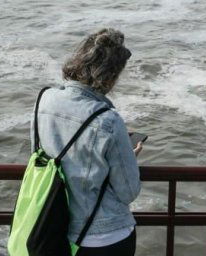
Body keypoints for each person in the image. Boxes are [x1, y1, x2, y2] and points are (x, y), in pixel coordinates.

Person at [32, 28, 141, 256]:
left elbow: (40, 159)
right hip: (103, 237)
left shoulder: (44, 99)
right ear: (110, 75)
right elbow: (128, 191)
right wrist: (129, 156)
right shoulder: (108, 120)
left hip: (50, 225)